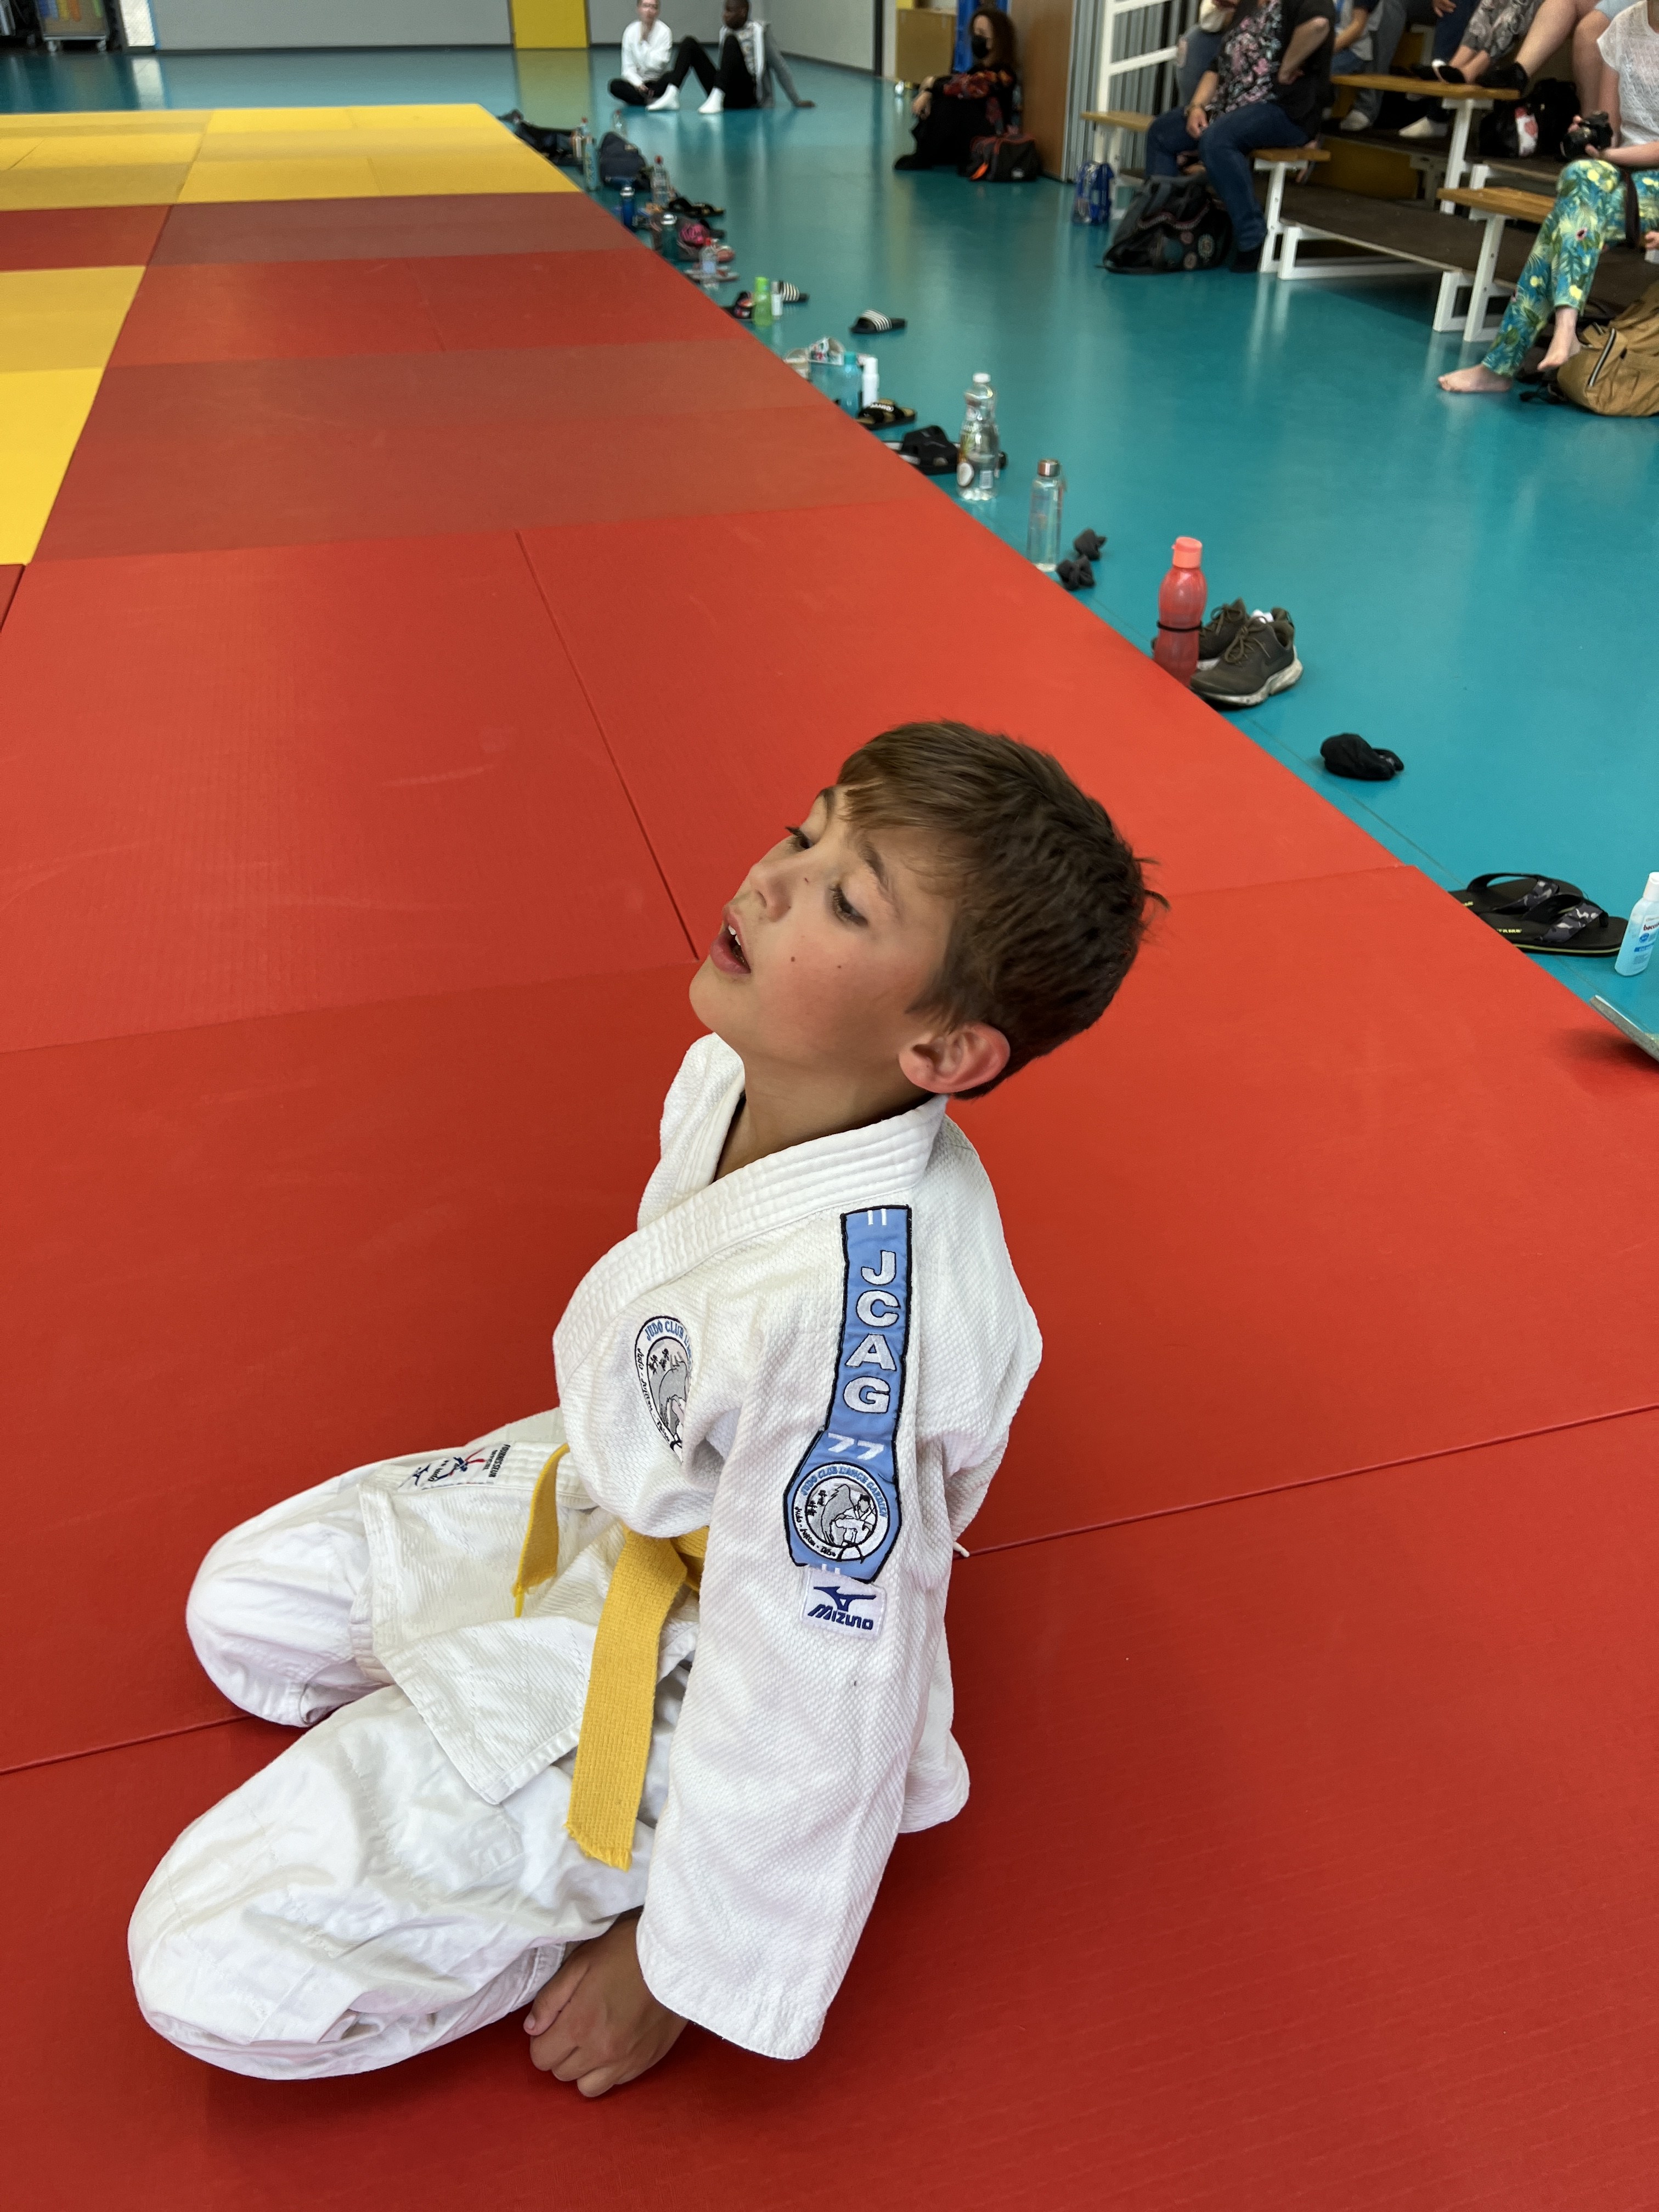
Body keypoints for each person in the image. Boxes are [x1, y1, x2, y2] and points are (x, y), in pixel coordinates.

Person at [128, 721, 1158, 2090]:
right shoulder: (738, 1073)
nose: (771, 882)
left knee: (203, 1965)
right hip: (635, 1498)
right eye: (805, 833)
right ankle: (483, 1722)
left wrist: (678, 1962)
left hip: (725, 1635)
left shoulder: (859, 1344)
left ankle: (617, 1856)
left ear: (944, 1050)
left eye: (848, 902)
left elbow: (817, 1692)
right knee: (243, 1612)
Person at [1441, 0, 1659, 392]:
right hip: (1626, 176)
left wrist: (1609, 157)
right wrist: (1593, 138)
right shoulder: (1624, 25)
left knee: (1565, 218)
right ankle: (1564, 330)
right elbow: (1612, 127)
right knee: (1579, 176)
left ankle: (1504, 364)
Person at [1145, 0, 1337, 272]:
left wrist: (1286, 67)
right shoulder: (1249, 4)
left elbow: (1319, 25)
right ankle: (1162, 226)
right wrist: (1197, 107)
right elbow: (1216, 66)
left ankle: (1251, 236)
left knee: (1217, 140)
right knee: (1162, 132)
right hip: (1231, 105)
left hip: (1284, 110)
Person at [893, 7, 1019, 171]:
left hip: (993, 139)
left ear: (997, 39)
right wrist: (929, 92)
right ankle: (929, 152)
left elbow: (968, 87)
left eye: (982, 34)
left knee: (953, 104)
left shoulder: (1004, 74)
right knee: (944, 97)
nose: (976, 38)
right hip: (969, 137)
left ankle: (924, 157)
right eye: (975, 33)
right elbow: (957, 81)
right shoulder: (978, 69)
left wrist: (932, 84)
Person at [648, 0, 814, 115]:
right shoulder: (725, 31)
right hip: (725, 90)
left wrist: (796, 100)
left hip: (747, 95)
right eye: (724, 11)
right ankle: (672, 94)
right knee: (689, 43)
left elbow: (780, 67)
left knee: (731, 42)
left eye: (729, 11)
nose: (724, 15)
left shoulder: (759, 32)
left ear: (742, 12)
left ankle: (717, 97)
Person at [608, 0, 673, 108]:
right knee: (615, 85)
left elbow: (657, 65)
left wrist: (644, 42)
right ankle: (648, 98)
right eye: (646, 6)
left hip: (657, 81)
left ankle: (644, 98)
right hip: (638, 84)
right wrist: (638, 84)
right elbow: (627, 68)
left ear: (658, 11)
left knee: (671, 76)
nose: (649, 11)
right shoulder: (630, 31)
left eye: (653, 7)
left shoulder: (665, 32)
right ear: (638, 9)